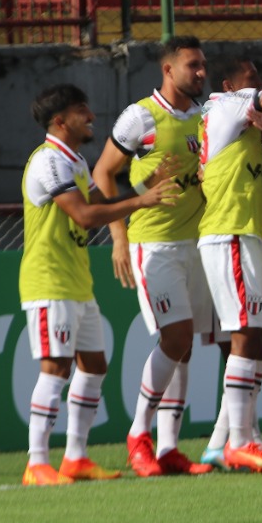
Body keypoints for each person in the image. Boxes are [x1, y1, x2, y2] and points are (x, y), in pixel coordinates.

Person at [18, 83, 178, 485]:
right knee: (56, 368)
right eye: (80, 110)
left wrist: (144, 186)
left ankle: (76, 457)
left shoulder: (74, 160)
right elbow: (86, 216)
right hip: (49, 280)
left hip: (75, 282)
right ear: (60, 121)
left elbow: (102, 203)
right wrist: (142, 203)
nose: (90, 117)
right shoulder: (48, 161)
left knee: (94, 365)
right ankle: (37, 462)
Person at [91, 36, 214, 477]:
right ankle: (138, 436)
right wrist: (118, 236)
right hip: (153, 245)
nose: (201, 73)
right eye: (192, 66)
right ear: (168, 70)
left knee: (184, 348)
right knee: (176, 337)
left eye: (203, 65)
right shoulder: (141, 116)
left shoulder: (204, 116)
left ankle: (168, 448)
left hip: (196, 244)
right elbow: (103, 172)